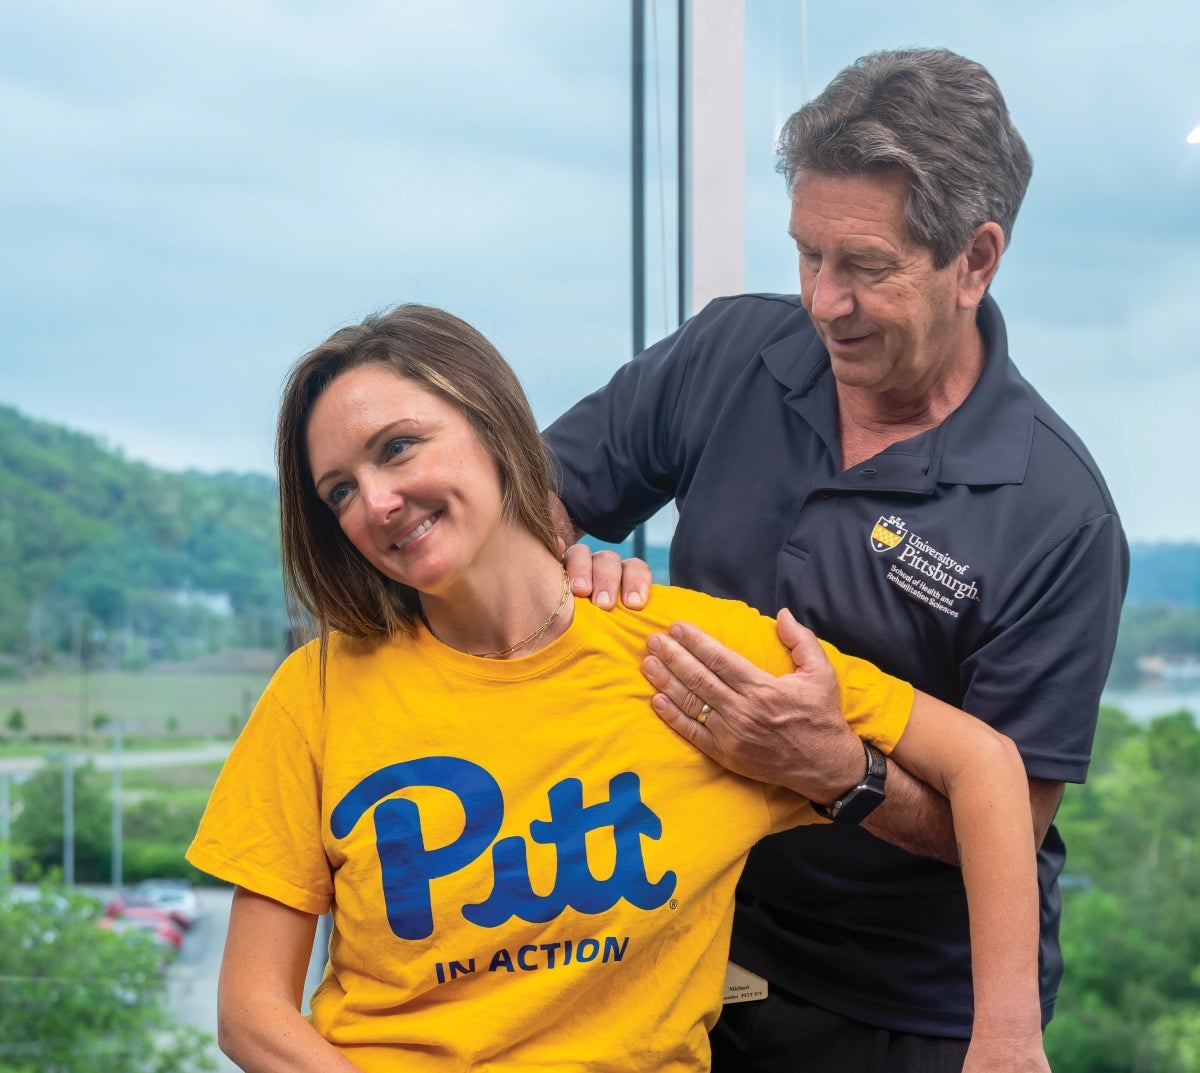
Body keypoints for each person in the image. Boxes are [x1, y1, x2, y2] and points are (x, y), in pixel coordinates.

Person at [187, 303, 1049, 1073]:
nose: (374, 500)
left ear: (493, 426)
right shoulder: (322, 689)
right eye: (340, 490)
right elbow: (251, 1011)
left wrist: (1007, 1041)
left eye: (397, 447)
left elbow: (987, 764)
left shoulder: (693, 654)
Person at [544, 46, 1129, 1071]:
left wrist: (838, 772)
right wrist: (572, 562)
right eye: (807, 254)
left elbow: (1006, 822)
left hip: (908, 1004)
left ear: (976, 259)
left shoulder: (1056, 511)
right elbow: (531, 496)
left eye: (865, 266)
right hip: (689, 932)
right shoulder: (730, 352)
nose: (822, 302)